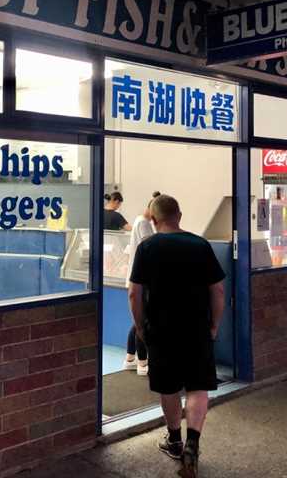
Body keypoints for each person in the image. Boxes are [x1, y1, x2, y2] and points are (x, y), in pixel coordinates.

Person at [128, 194, 226, 478]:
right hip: (196, 327)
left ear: (154, 220)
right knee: (197, 386)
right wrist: (214, 325)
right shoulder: (200, 244)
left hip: (161, 329)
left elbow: (134, 292)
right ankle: (193, 444)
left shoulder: (147, 247)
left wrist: (141, 326)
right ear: (179, 215)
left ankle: (174, 440)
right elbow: (218, 291)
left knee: (169, 387)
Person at [122, 191, 160, 376]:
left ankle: (130, 357)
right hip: (142, 278)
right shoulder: (144, 224)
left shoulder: (139, 221)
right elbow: (150, 245)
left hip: (137, 276)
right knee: (143, 320)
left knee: (138, 319)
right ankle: (143, 362)